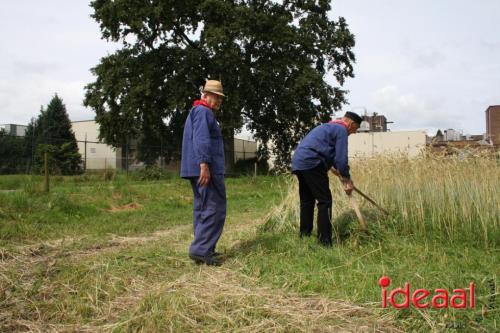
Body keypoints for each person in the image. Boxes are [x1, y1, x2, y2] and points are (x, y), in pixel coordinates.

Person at [291, 112, 362, 246]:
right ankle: (324, 242)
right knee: (324, 201)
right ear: (351, 124)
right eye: (356, 128)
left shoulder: (328, 126)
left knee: (307, 200)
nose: (355, 132)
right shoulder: (341, 130)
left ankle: (304, 235)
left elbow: (329, 154)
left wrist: (335, 168)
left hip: (299, 162)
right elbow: (341, 159)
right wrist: (347, 178)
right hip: (313, 162)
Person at [181, 80, 226, 266]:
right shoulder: (203, 111)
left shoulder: (198, 111)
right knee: (214, 208)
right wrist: (204, 164)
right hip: (205, 168)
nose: (218, 102)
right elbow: (201, 138)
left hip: (196, 167)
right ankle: (201, 250)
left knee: (203, 208)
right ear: (205, 95)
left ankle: (204, 248)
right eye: (215, 97)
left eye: (220, 99)